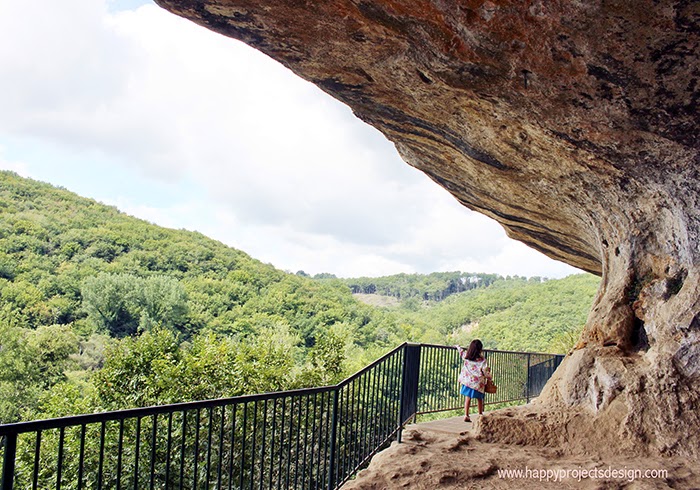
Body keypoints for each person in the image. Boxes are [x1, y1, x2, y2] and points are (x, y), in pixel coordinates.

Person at [456, 340, 492, 422]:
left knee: (467, 398)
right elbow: (485, 371)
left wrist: (458, 346)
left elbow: (461, 352)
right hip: (478, 383)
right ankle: (480, 414)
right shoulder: (482, 360)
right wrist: (489, 377)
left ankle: (466, 415)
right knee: (479, 398)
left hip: (468, 381)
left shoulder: (466, 356)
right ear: (480, 349)